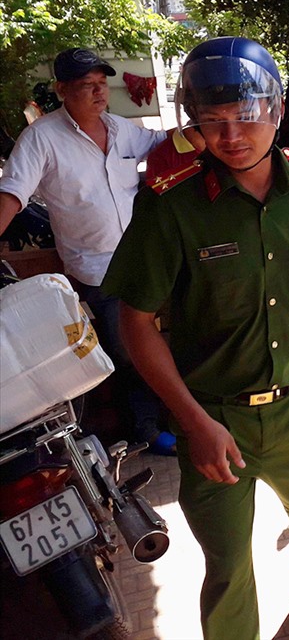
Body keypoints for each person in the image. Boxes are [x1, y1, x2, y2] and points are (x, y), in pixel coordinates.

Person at [100, 36, 289, 638]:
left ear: (274, 109)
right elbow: (135, 323)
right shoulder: (172, 205)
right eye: (212, 122)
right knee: (227, 565)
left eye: (247, 116)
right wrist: (192, 423)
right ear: (194, 126)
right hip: (215, 420)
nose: (232, 135)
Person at [0, 47, 173, 453]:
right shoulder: (41, 139)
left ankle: (178, 416)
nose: (99, 94)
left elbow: (165, 143)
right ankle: (146, 431)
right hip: (99, 271)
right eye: (86, 87)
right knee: (128, 354)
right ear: (62, 90)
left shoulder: (120, 128)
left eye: (101, 84)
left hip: (148, 260)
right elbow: (12, 193)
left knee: (169, 341)